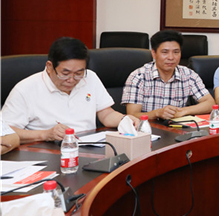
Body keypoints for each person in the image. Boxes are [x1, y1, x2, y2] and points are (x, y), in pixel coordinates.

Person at [1, 37, 136, 143]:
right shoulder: (25, 89)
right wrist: (45, 134)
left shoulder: (90, 77)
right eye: (65, 73)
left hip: (89, 147)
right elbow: (5, 132)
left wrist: (124, 119)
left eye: (78, 73)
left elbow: (106, 114)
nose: (71, 80)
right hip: (47, 151)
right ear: (49, 66)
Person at [122, 30, 214, 119]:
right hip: (147, 127)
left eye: (176, 52)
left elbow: (210, 103)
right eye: (165, 52)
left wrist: (184, 111)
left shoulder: (189, 75)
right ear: (154, 54)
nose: (171, 57)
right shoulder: (138, 76)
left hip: (176, 127)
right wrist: (157, 113)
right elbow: (132, 115)